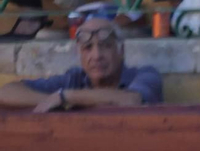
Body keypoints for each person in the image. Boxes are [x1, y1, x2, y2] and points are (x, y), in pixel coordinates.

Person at [0, 17, 162, 109]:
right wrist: (51, 100)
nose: (97, 55)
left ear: (121, 51)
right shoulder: (75, 79)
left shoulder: (146, 74)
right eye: (88, 48)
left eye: (105, 46)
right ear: (79, 54)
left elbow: (131, 100)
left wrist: (65, 97)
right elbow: (6, 92)